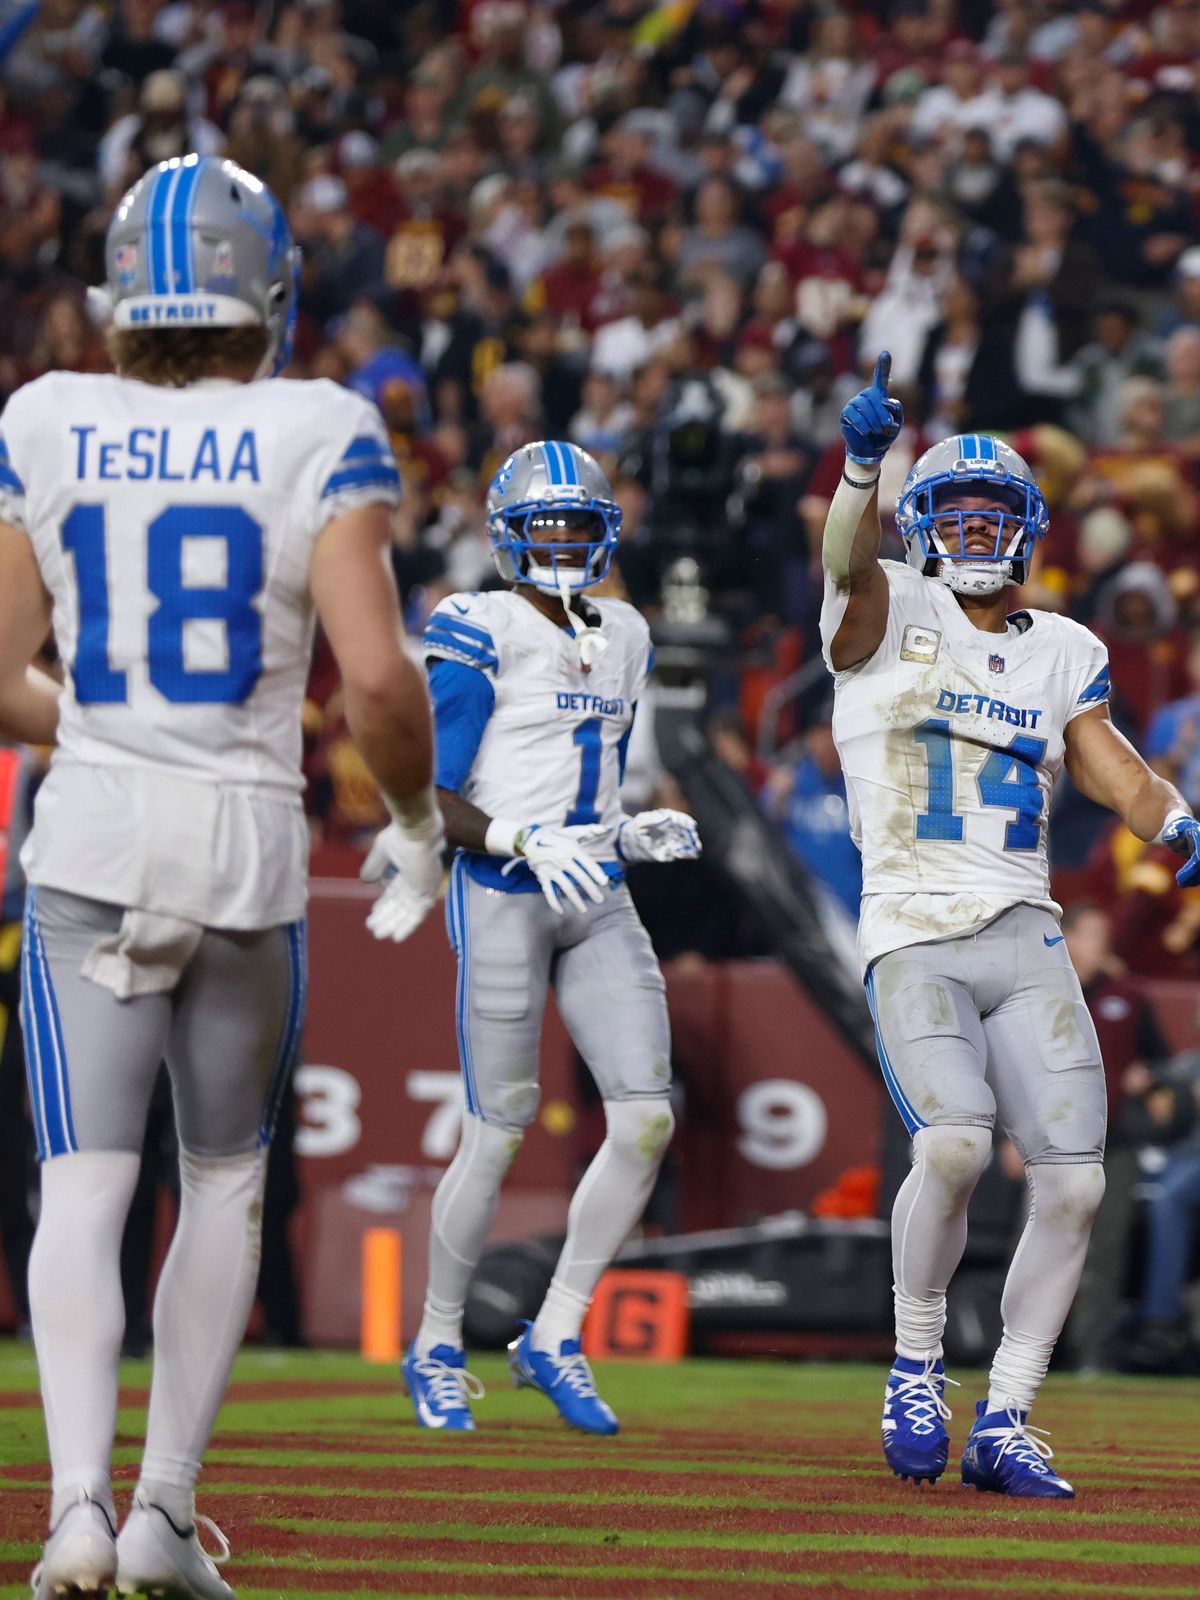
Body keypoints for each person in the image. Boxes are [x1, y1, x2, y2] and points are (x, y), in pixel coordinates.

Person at [0, 154, 442, 1599]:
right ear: (273, 292)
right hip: (246, 846)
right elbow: (377, 679)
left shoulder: (46, 417)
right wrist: (421, 819)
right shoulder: (319, 425)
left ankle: (69, 1511)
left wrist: (111, 731)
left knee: (83, 1184)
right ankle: (162, 1516)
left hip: (92, 841)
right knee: (226, 1180)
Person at [820, 353, 1200, 1498]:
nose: (978, 531)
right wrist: (858, 470)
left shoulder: (1062, 645)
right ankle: (917, 1364)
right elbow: (844, 560)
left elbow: (1111, 768)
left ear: (1029, 529)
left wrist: (1178, 817)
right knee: (953, 1145)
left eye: (997, 514)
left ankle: (1012, 1414)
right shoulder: (888, 603)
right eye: (958, 513)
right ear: (924, 523)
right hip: (916, 924)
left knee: (1079, 1180)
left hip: (1024, 924)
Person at [366, 440, 700, 1435]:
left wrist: (625, 829)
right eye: (541, 524)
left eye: (575, 523)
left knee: (646, 1116)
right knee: (499, 1128)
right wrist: (519, 836)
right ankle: (433, 1343)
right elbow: (429, 786)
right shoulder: (478, 623)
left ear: (604, 531)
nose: (560, 541)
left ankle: (554, 1334)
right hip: (503, 885)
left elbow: (589, 783)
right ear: (510, 536)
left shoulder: (629, 633)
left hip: (594, 888)